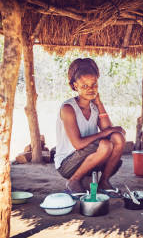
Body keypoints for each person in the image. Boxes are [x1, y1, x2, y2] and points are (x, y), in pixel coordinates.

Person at [54, 58, 125, 197]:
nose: (90, 89)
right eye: (84, 86)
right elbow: (78, 144)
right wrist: (105, 132)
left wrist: (99, 103)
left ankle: (104, 182)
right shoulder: (68, 108)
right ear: (75, 86)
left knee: (118, 138)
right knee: (105, 144)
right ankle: (73, 181)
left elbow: (109, 130)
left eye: (94, 85)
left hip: (91, 160)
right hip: (68, 164)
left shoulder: (94, 107)